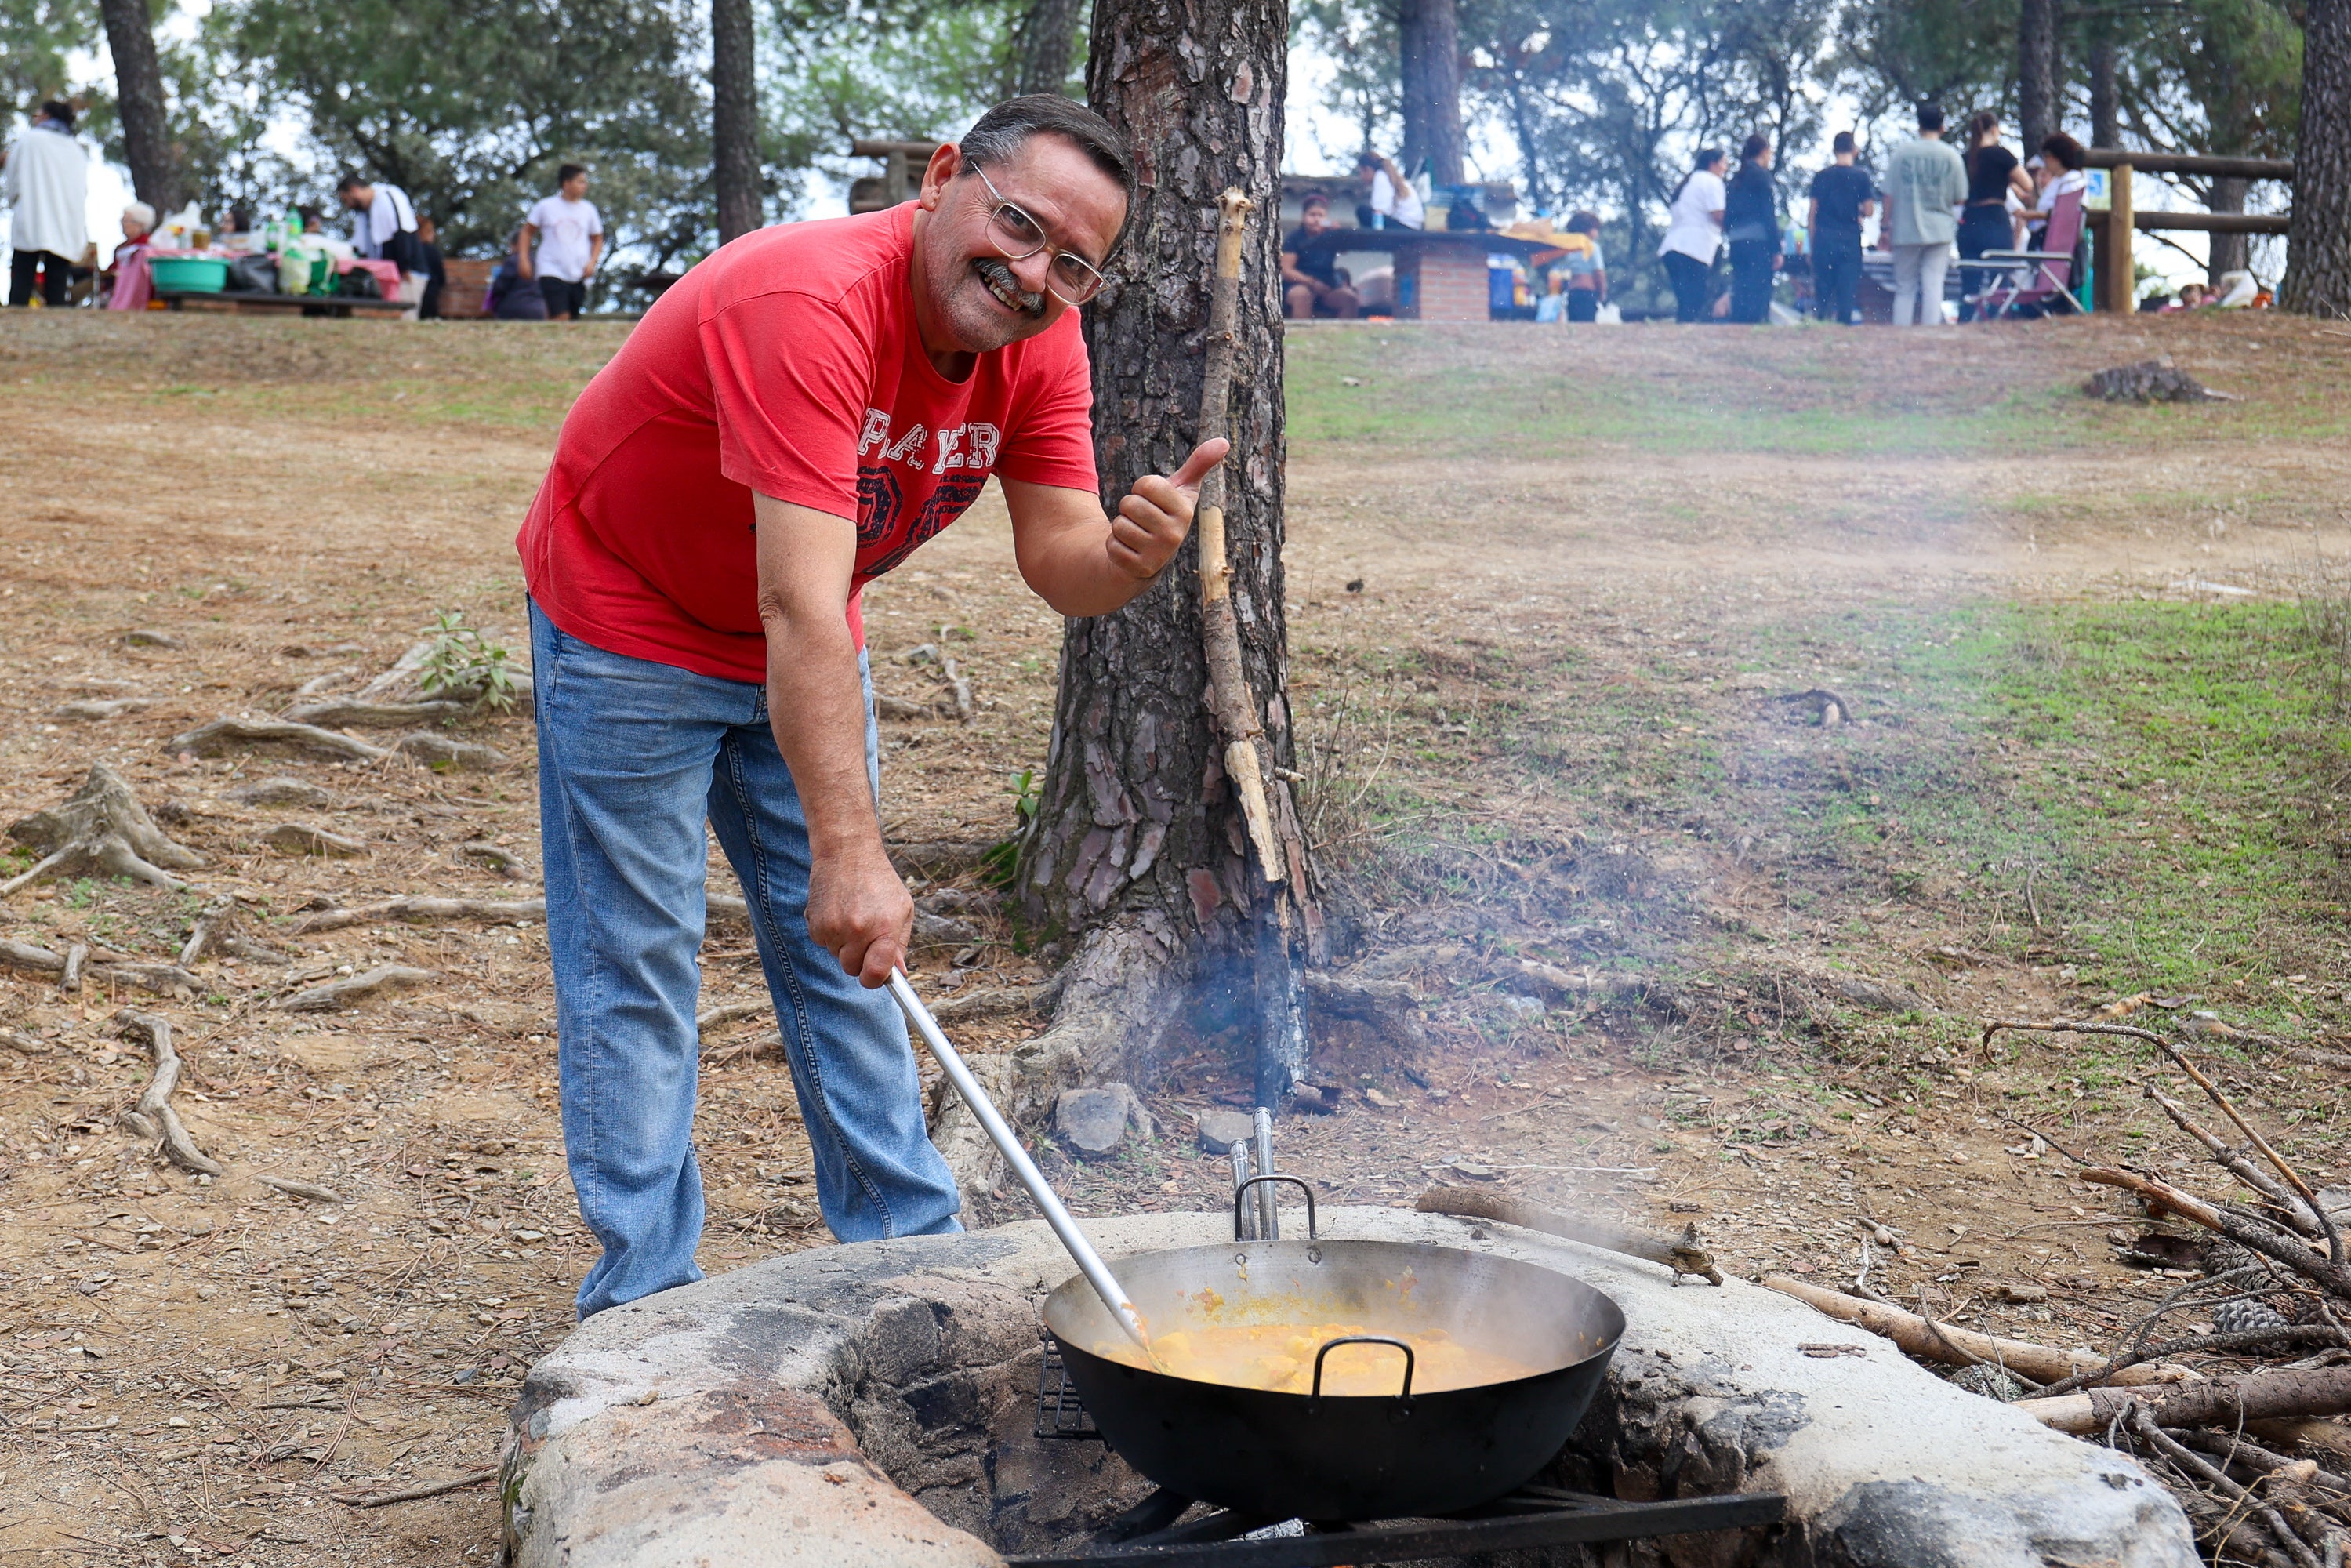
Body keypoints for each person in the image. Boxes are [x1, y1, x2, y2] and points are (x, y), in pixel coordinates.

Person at [516, 94, 1226, 1319]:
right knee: (637, 955)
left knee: (853, 959)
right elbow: (794, 603)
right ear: (943, 177)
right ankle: (640, 1303)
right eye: (1017, 225)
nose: (1031, 275)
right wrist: (848, 850)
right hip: (630, 620)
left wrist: (1126, 559)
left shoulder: (1039, 343)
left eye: (1072, 265)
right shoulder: (809, 301)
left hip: (798, 635)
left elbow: (1058, 558)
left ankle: (907, 1262)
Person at [1880, 103, 1967, 327]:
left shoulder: (1902, 154)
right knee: (1933, 285)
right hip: (1940, 230)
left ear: (1919, 125)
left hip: (1905, 229)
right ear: (1942, 127)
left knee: (1904, 288)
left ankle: (1901, 336)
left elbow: (1888, 195)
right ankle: (1931, 337)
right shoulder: (1952, 156)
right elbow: (1960, 198)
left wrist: (1885, 227)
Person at [4, 100, 88, 308]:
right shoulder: (75, 148)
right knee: (58, 275)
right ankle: (56, 315)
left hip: (32, 213)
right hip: (63, 217)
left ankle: (17, 313)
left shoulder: (30, 140)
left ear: (46, 116)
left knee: (23, 271)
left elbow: (13, 175)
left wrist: (14, 199)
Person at [1956, 111, 2034, 320]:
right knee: (2000, 277)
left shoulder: (1965, 158)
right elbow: (2027, 184)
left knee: (1970, 281)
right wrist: (2006, 179)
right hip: (1995, 220)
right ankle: (1996, 321)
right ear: (1994, 129)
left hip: (1970, 221)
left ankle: (1966, 322)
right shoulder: (2001, 156)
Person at [521, 163, 604, 321]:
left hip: (578, 272)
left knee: (571, 319)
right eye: (580, 182)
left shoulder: (589, 210)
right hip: (550, 269)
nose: (585, 186)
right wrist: (524, 259)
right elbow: (527, 232)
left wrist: (592, 262)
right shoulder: (546, 206)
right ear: (567, 183)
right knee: (561, 315)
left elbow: (598, 238)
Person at [1807, 132, 1874, 325]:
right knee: (1847, 294)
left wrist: (1811, 246)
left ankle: (1822, 330)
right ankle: (1844, 333)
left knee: (1823, 295)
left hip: (1824, 239)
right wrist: (1858, 210)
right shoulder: (1861, 177)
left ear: (1834, 150)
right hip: (1849, 239)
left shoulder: (1821, 176)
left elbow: (1812, 214)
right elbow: (1869, 210)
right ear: (1855, 150)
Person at [336, 174, 428, 312]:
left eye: (346, 200)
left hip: (406, 272)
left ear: (354, 190)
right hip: (386, 275)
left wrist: (405, 267)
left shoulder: (388, 196)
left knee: (405, 316)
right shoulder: (365, 213)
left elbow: (402, 230)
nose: (348, 205)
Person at [1656, 148, 1726, 323]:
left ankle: (1681, 332)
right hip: (1694, 248)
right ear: (1713, 164)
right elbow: (1718, 214)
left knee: (1685, 303)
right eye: (1724, 163)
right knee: (1694, 300)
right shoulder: (1712, 181)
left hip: (1672, 248)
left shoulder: (1687, 182)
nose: (1725, 168)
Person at [1723, 132, 1780, 325]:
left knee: (1741, 287)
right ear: (1764, 152)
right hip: (1758, 241)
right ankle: (1755, 327)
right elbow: (1768, 214)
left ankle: (1737, 328)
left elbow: (1728, 215)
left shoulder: (1735, 180)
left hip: (1736, 241)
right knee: (1758, 289)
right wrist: (1776, 248)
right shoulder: (1762, 177)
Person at [1281, 194, 1359, 318]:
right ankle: (1303, 331)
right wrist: (1311, 282)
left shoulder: (1330, 236)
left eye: (1321, 216)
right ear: (1304, 217)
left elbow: (1345, 250)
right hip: (1299, 283)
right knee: (1303, 295)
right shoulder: (1294, 238)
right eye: (1312, 215)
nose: (1316, 219)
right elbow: (1287, 271)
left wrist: (1338, 234)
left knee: (1349, 298)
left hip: (1327, 285)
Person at [2022, 132, 2088, 248]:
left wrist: (2036, 215)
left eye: (2046, 156)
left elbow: (2067, 212)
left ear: (2056, 157)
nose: (2045, 160)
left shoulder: (2073, 180)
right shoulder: (2057, 180)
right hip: (2045, 238)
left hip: (2062, 242)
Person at [104, 201, 158, 312]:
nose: (122, 224)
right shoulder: (121, 247)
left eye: (126, 221)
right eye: (122, 220)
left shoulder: (146, 248)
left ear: (140, 225)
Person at [1354, 149, 1424, 230]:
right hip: (1413, 227)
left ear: (1367, 169)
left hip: (1406, 227)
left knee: (1363, 211)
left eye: (1361, 172)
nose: (1361, 177)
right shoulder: (1389, 176)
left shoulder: (1381, 177)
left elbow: (1380, 211)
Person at [1558, 211, 1605, 321]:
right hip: (1587, 293)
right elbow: (1599, 273)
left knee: (1574, 326)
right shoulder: (1592, 247)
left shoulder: (1570, 249)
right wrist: (1602, 293)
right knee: (1587, 327)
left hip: (1572, 293)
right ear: (1588, 229)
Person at [415, 216, 448, 319]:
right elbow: (441, 275)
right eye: (430, 231)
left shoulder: (410, 251)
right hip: (430, 292)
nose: (434, 234)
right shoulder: (432, 251)